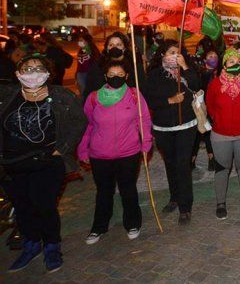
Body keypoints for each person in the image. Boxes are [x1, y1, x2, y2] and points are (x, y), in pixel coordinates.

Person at [0, 54, 87, 273]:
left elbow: (79, 121)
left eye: (38, 68)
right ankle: (31, 244)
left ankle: (51, 246)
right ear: (18, 73)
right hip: (12, 163)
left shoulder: (61, 96)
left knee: (44, 205)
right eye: (27, 69)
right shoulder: (7, 95)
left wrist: (63, 148)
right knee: (22, 207)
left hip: (46, 161)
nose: (33, 73)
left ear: (48, 73)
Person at [77, 61, 152, 244]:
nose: (115, 77)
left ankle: (133, 223)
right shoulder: (94, 98)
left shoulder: (134, 95)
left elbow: (144, 120)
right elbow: (87, 125)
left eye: (120, 74)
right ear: (105, 77)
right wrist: (82, 148)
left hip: (128, 152)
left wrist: (146, 143)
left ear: (126, 76)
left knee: (128, 189)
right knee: (103, 192)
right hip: (100, 154)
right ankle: (99, 227)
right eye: (111, 74)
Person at [144, 40, 200, 225]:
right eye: (171, 52)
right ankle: (174, 197)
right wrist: (169, 101)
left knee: (183, 164)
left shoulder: (187, 70)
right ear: (163, 55)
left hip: (186, 125)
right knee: (170, 163)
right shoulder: (154, 75)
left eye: (178, 52)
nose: (175, 56)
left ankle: (185, 207)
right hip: (164, 127)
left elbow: (197, 86)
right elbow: (148, 100)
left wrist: (185, 67)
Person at [205, 48, 240, 219]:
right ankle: (220, 203)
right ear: (225, 65)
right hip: (221, 134)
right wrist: (219, 119)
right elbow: (210, 106)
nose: (235, 64)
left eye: (238, 61)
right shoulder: (215, 84)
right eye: (231, 61)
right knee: (222, 169)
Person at [83, 32, 146, 102]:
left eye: (118, 45)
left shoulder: (134, 67)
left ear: (125, 48)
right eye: (111, 45)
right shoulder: (98, 67)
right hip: (104, 104)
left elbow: (142, 88)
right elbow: (89, 90)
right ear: (107, 49)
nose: (114, 47)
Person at [193, 48, 219, 171]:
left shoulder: (219, 73)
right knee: (200, 133)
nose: (213, 58)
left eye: (215, 56)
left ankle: (211, 158)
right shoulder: (202, 73)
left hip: (214, 107)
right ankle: (194, 159)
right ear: (205, 60)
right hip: (203, 106)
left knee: (209, 132)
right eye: (210, 56)